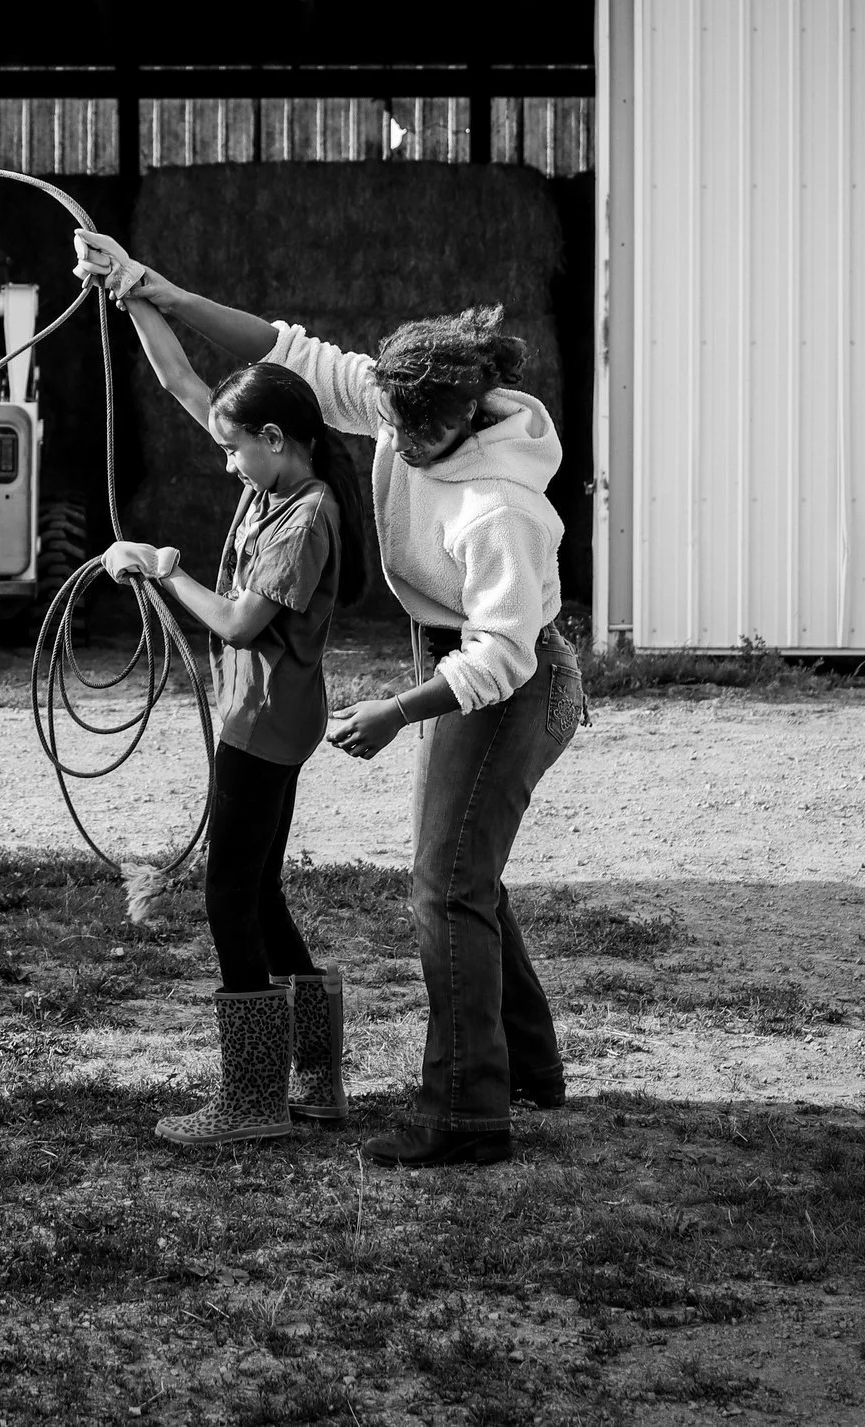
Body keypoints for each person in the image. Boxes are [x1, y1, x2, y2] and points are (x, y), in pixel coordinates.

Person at [77, 229, 584, 1170]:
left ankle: (465, 1111)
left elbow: (501, 655)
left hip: (512, 680)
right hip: (451, 658)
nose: (395, 440)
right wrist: (144, 286)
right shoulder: (402, 406)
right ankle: (524, 1065)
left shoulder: (498, 508)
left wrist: (397, 711)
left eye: (414, 435)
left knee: (445, 887)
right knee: (458, 875)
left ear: (463, 417)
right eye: (385, 423)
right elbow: (279, 349)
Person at [94, 285, 371, 1149]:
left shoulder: (305, 516)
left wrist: (161, 567)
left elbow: (243, 622)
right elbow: (183, 382)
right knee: (259, 887)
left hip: (263, 721)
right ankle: (316, 1081)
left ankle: (250, 1101)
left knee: (227, 895)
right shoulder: (280, 482)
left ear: (277, 441)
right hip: (268, 714)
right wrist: (130, 289)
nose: (225, 464)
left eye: (235, 451)